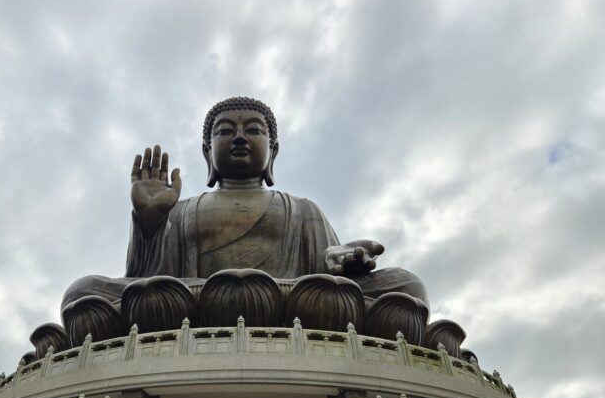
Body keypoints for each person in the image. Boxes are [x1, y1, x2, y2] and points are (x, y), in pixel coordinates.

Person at [62, 97, 427, 312]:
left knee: (405, 286)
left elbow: (328, 274)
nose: (239, 137)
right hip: (191, 305)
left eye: (253, 130)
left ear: (273, 151)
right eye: (225, 131)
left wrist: (345, 263)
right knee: (82, 292)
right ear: (208, 151)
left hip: (291, 305)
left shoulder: (301, 209)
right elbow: (145, 281)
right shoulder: (182, 209)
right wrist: (150, 223)